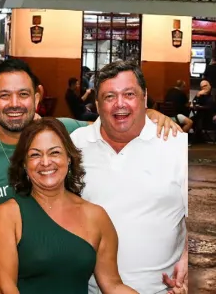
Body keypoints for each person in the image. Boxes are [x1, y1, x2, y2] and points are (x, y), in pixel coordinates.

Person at [0, 59, 181, 292]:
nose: (45, 162)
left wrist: (148, 113)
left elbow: (114, 119)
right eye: (4, 95)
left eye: (23, 94)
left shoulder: (66, 131)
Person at [70, 61, 189, 294]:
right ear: (97, 104)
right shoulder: (75, 144)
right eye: (109, 96)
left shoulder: (177, 146)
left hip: (161, 290)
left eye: (129, 94)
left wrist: (188, 258)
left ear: (144, 98)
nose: (120, 104)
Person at [0, 119, 141, 294]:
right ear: (24, 164)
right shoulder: (8, 214)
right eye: (35, 155)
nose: (45, 162)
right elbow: (4, 288)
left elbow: (112, 285)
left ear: (68, 157)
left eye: (54, 152)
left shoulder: (96, 216)